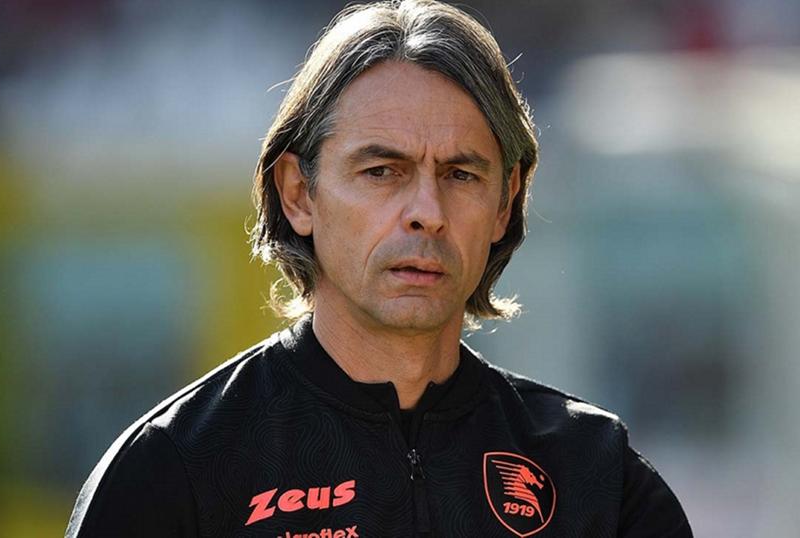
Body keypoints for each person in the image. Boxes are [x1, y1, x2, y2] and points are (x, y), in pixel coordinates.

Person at [66, 1, 692, 536]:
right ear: (298, 194)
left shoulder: (595, 476)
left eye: (461, 175)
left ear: (505, 202)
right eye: (382, 171)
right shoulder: (174, 468)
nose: (427, 214)